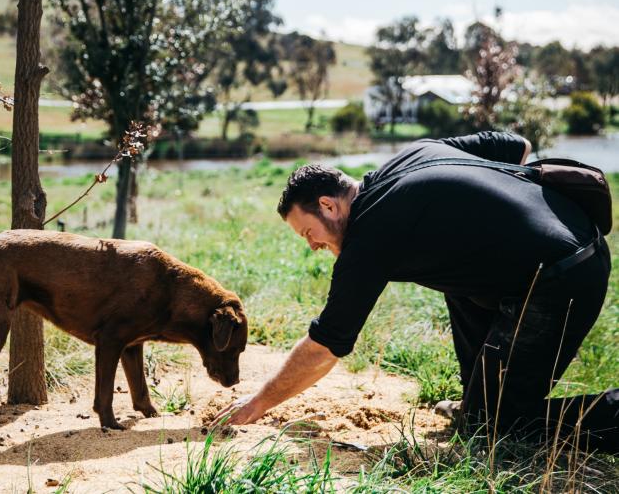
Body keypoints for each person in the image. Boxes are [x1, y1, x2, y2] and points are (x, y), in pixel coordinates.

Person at [212, 131, 618, 453]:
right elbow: (517, 145)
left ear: (328, 205)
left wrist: (257, 404)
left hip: (561, 279)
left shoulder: (370, 235)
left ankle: (504, 412)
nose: (313, 246)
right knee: (453, 267)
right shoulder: (415, 153)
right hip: (575, 241)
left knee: (502, 429)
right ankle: (478, 401)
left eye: (308, 233)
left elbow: (327, 344)